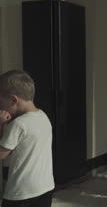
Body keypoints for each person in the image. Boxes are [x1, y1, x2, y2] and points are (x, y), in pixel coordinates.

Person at [0, 70, 55, 207]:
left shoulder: (18, 124)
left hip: (21, 193)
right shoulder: (43, 116)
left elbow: (2, 154)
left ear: (14, 100)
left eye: (1, 103)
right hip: (45, 187)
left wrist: (0, 124)